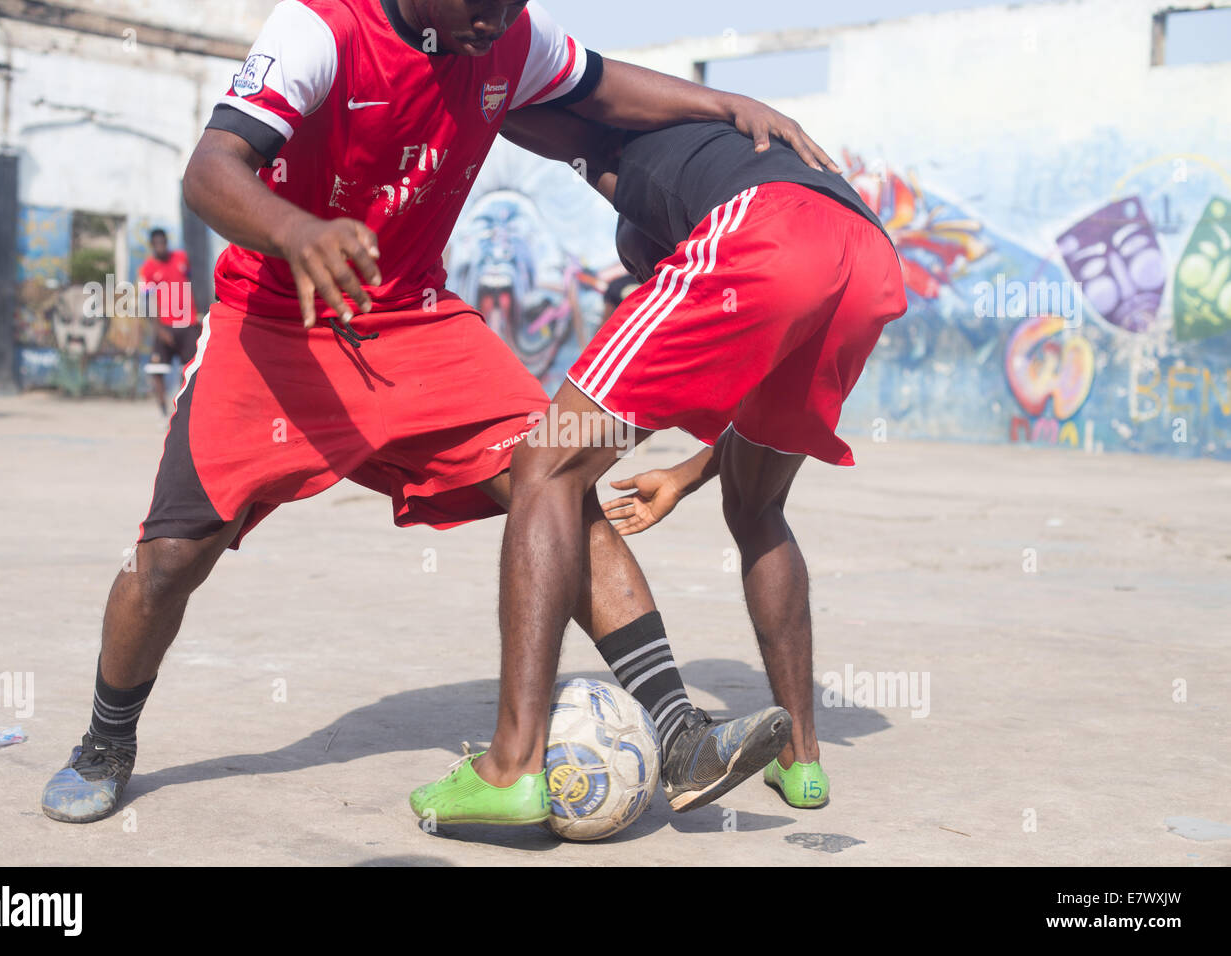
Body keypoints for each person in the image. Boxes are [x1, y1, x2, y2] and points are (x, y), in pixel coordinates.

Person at [41, 0, 840, 826]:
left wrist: (724, 102)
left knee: (559, 480)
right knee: (169, 558)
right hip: (274, 325)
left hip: (417, 322)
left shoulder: (506, 37)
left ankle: (678, 731)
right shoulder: (321, 28)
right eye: (480, 2)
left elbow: (605, 86)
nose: (499, 18)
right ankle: (105, 742)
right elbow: (210, 168)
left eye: (512, 1)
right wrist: (294, 229)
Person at [412, 105, 906, 822]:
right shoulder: (714, 152)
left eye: (652, 272)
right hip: (867, 263)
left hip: (769, 232)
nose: (655, 283)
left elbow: (541, 109)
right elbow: (742, 401)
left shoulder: (627, 157)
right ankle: (801, 763)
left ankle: (510, 768)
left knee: (545, 466)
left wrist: (470, 88)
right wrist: (681, 474)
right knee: (759, 507)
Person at [137, 228, 199, 415]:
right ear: (152, 246)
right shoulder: (148, 269)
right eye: (157, 243)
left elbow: (192, 282)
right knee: (157, 370)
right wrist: (159, 329)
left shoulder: (181, 258)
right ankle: (163, 412)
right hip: (165, 326)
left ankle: (182, 411)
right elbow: (147, 300)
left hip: (188, 325)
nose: (161, 247)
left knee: (189, 371)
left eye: (163, 242)